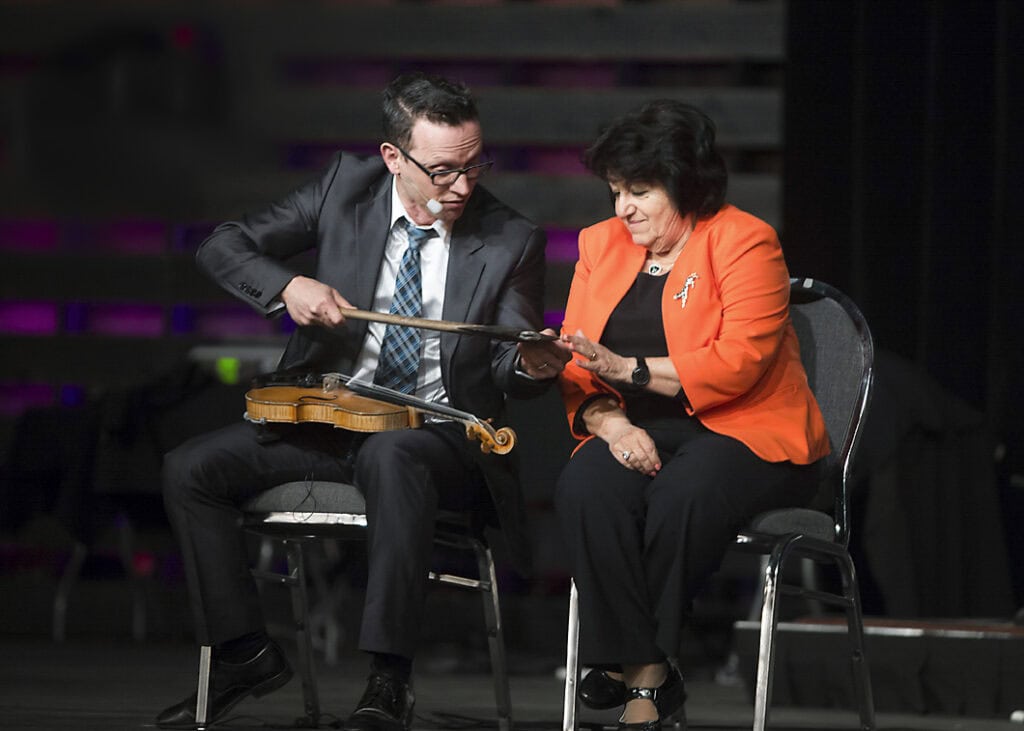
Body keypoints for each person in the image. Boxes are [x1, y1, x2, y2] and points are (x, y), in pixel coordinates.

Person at [156, 72, 568, 730]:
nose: (462, 186)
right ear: (392, 158)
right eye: (441, 171)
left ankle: (388, 679)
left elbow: (506, 359)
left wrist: (530, 362)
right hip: (331, 419)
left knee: (395, 454)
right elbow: (223, 244)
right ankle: (244, 652)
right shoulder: (344, 189)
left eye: (473, 165)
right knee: (190, 467)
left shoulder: (511, 237)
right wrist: (286, 283)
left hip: (439, 440)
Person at [553, 99, 830, 730]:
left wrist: (630, 371)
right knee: (587, 485)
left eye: (640, 191)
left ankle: (636, 677)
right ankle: (648, 667)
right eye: (616, 190)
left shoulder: (744, 239)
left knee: (683, 493)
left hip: (751, 430)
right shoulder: (600, 245)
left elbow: (741, 361)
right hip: (641, 427)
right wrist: (613, 422)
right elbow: (577, 360)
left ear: (684, 183)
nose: (623, 208)